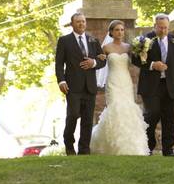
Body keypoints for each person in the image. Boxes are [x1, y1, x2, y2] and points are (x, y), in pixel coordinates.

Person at [133, 13, 174, 156]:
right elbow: (135, 60)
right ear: (155, 26)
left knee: (170, 117)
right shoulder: (144, 40)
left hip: (170, 85)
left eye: (166, 28)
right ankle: (148, 146)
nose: (163, 31)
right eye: (160, 28)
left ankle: (168, 149)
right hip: (151, 86)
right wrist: (152, 65)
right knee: (152, 114)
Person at [90, 20, 149, 155]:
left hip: (125, 82)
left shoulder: (129, 47)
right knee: (115, 108)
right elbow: (100, 62)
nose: (120, 32)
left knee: (128, 109)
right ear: (111, 32)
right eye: (117, 30)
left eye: (122, 30)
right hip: (113, 82)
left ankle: (132, 147)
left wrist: (143, 54)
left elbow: (138, 62)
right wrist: (99, 58)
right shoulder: (106, 47)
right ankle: (112, 146)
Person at [54, 12, 107, 155]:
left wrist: (93, 62)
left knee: (88, 119)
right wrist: (61, 80)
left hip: (90, 86)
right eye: (78, 22)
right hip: (72, 86)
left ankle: (84, 149)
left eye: (83, 21)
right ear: (72, 24)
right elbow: (59, 64)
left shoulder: (93, 40)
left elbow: (103, 60)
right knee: (72, 115)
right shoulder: (64, 41)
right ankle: (69, 147)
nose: (81, 24)